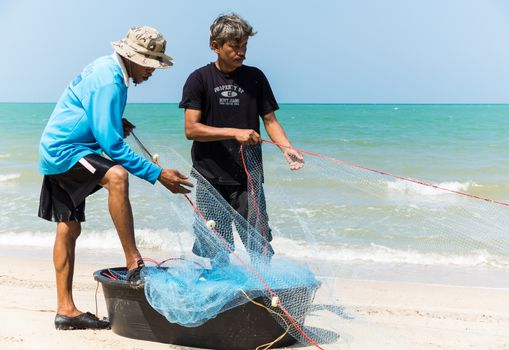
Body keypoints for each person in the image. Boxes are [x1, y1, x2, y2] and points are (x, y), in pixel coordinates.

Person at [38, 26, 192, 330]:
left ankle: (65, 310)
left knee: (69, 227)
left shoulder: (107, 70)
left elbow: (85, 110)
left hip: (55, 149)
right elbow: (113, 148)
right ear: (133, 58)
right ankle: (134, 261)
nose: (151, 73)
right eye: (150, 66)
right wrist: (158, 173)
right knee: (118, 176)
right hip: (66, 152)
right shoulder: (109, 81)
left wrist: (109, 120)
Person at [179, 13, 304, 267]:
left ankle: (263, 294)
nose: (241, 52)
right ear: (215, 46)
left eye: (244, 46)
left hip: (249, 176)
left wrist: (286, 149)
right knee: (216, 246)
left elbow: (270, 121)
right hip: (210, 176)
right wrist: (234, 132)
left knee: (259, 244)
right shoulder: (199, 79)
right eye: (234, 46)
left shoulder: (255, 77)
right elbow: (191, 129)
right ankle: (223, 294)